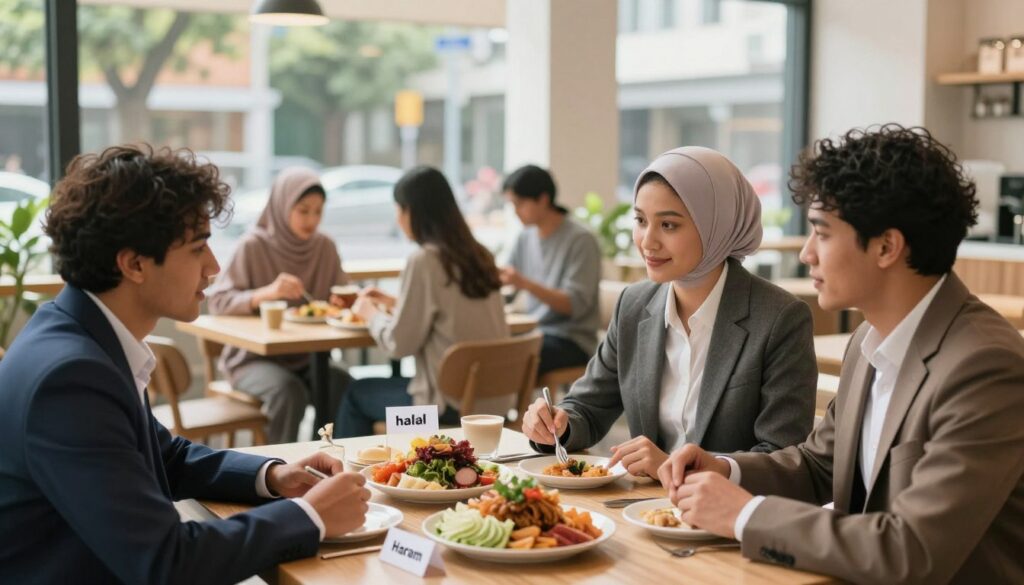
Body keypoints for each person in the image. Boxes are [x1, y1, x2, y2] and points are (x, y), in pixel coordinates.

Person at [658, 125, 1024, 584]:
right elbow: (819, 466)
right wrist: (726, 469)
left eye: (822, 233)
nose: (806, 254)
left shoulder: (985, 366)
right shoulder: (868, 341)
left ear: (887, 247)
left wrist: (746, 515)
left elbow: (913, 551)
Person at [0, 145, 371, 584]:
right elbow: (166, 563)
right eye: (198, 248)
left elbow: (166, 456)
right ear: (134, 264)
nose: (213, 267)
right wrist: (310, 515)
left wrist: (274, 476)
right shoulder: (70, 378)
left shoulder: (80, 337)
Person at [521, 147, 816, 477]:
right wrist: (557, 424)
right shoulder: (634, 305)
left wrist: (676, 468)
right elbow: (588, 406)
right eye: (640, 220)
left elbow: (783, 456)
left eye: (669, 225)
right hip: (644, 502)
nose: (648, 241)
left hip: (727, 507)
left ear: (716, 225)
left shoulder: (780, 318)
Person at [334, 166, 508, 438]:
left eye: (399, 209)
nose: (398, 218)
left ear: (412, 212)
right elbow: (450, 311)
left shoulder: (424, 260)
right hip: (493, 404)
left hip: (438, 413)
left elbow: (398, 345)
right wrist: (396, 302)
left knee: (355, 394)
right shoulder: (480, 255)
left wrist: (370, 314)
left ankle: (357, 466)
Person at [208, 167, 351, 444]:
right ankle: (277, 466)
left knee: (341, 383)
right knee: (288, 392)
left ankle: (325, 456)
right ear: (282, 205)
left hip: (309, 358)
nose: (311, 220)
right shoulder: (253, 246)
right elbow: (218, 301)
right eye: (303, 210)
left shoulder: (325, 247)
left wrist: (341, 302)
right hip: (252, 360)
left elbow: (341, 294)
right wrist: (266, 293)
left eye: (318, 212)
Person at [501, 164, 601, 376]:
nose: (515, 212)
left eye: (519, 204)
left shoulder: (581, 240)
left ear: (543, 200)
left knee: (507, 358)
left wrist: (525, 283)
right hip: (535, 332)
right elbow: (506, 281)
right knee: (489, 348)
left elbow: (573, 305)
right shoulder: (525, 237)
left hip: (572, 340)